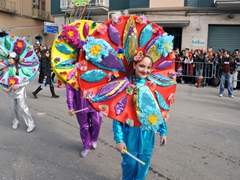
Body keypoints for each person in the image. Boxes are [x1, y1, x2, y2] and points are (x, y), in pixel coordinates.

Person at [113, 54, 168, 180]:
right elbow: (118, 115)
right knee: (130, 164)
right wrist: (119, 139)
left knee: (143, 166)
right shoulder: (125, 87)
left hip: (148, 134)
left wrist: (163, 131)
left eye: (148, 67)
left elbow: (158, 112)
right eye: (142, 66)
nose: (145, 70)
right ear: (134, 65)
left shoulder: (152, 87)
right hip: (130, 133)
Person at [66, 56, 102, 158]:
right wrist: (70, 106)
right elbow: (69, 92)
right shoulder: (73, 74)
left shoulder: (97, 71)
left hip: (94, 104)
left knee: (97, 123)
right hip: (80, 105)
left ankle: (94, 139)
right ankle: (86, 145)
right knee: (84, 127)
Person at [2, 52, 36, 132]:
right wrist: (4, 89)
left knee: (23, 108)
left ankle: (31, 124)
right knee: (12, 108)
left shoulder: (21, 69)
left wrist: (19, 86)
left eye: (10, 58)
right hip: (10, 93)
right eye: (8, 58)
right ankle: (15, 121)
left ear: (15, 59)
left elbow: (26, 81)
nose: (9, 60)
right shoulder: (6, 69)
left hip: (20, 92)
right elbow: (3, 80)